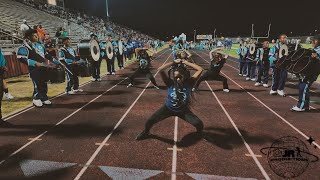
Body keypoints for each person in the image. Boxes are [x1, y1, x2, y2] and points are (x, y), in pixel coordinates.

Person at [136, 59, 204, 140]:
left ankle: (199, 133)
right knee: (150, 121)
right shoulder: (170, 83)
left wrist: (186, 62)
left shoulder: (190, 82)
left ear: (185, 75)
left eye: (180, 77)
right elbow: (160, 69)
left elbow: (200, 69)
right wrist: (173, 62)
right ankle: (146, 132)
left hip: (183, 111)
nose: (178, 79)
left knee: (199, 123)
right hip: (168, 108)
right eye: (176, 77)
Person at [16, 29, 58, 107]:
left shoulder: (40, 45)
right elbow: (21, 58)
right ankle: (36, 98)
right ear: (28, 37)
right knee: (37, 83)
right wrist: (35, 63)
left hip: (43, 67)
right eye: (34, 35)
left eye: (37, 35)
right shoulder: (24, 47)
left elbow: (46, 55)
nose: (36, 36)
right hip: (34, 69)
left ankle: (44, 98)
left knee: (44, 83)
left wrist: (55, 61)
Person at [291, 35, 320, 112]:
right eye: (313, 40)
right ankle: (305, 106)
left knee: (304, 87)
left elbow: (317, 57)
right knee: (301, 86)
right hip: (307, 72)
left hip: (312, 73)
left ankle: (301, 106)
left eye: (316, 40)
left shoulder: (318, 50)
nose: (313, 41)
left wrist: (317, 56)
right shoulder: (314, 49)